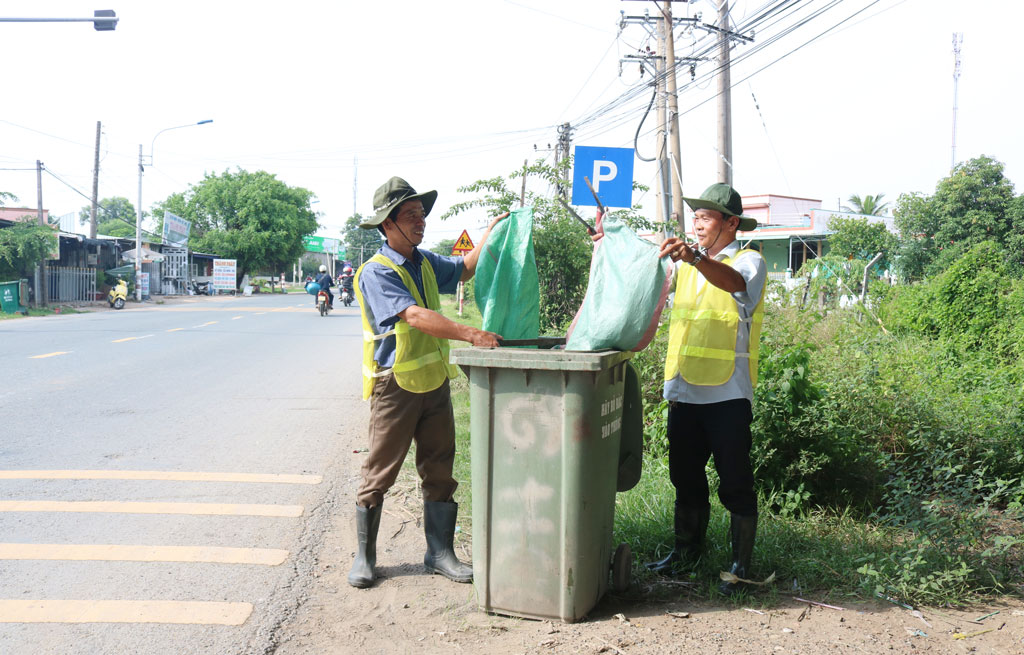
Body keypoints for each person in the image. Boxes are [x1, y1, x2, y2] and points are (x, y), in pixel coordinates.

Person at [347, 176, 506, 589]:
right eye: (410, 216)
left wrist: (492, 231)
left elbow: (466, 269)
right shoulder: (376, 272)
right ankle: (365, 557)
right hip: (395, 386)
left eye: (421, 215)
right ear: (388, 224)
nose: (420, 222)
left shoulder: (425, 261)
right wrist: (470, 333)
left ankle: (439, 554)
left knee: (440, 469)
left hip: (434, 383)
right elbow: (414, 316)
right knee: (380, 471)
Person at [650, 183, 767, 596]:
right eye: (695, 217)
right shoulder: (684, 264)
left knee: (735, 480)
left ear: (731, 223)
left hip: (727, 395)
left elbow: (734, 283)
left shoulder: (748, 260)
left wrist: (696, 258)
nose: (697, 224)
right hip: (683, 389)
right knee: (685, 477)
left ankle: (740, 566)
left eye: (706, 217)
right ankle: (687, 552)